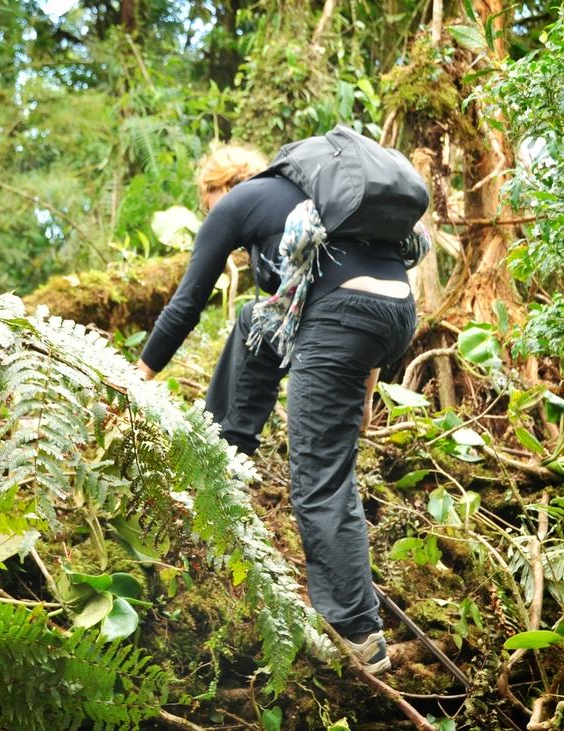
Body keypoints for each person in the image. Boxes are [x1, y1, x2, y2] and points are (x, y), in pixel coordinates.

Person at [136, 141, 418, 673]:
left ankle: (359, 631)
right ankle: (222, 452)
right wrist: (363, 395)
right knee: (254, 322)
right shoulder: (322, 200)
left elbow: (187, 302)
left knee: (319, 476)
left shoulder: (237, 203)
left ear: (219, 189)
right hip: (397, 312)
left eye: (208, 198)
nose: (209, 208)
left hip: (342, 319)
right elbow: (359, 288)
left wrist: (139, 376)